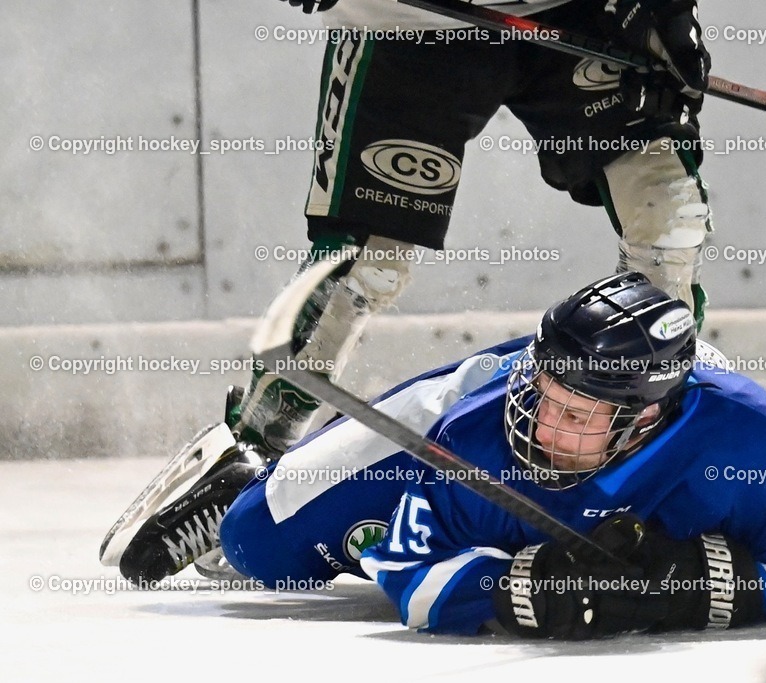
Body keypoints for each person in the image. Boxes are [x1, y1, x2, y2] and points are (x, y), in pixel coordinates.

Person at [100, 0, 716, 579]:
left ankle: (660, 450)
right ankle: (254, 451)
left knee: (669, 220)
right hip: (412, 16)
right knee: (365, 264)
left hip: (581, 14)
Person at [120, 272, 766, 640]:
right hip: (454, 400)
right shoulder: (480, 430)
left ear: (643, 417)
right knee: (257, 545)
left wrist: (688, 587)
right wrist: (512, 590)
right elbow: (411, 573)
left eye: (574, 412)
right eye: (543, 392)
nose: (541, 421)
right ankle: (243, 475)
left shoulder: (760, 444)